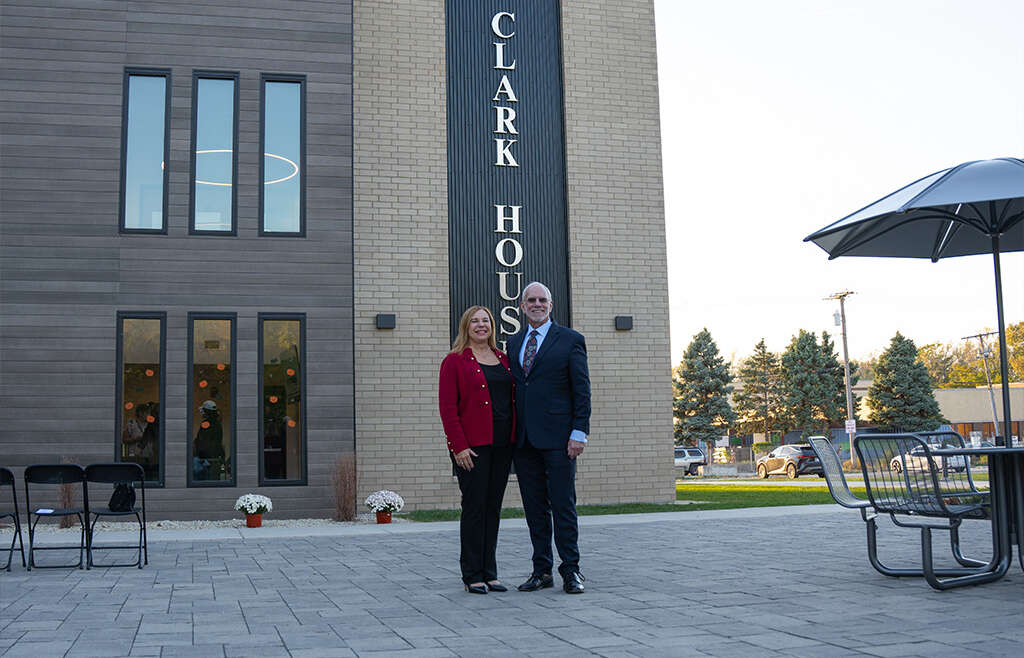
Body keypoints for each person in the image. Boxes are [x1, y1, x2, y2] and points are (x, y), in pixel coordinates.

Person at [507, 282, 591, 594]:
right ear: (522, 306)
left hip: (560, 440)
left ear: (551, 306)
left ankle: (571, 570)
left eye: (543, 300)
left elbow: (581, 390)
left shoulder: (570, 340)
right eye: (531, 300)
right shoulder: (514, 343)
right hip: (525, 441)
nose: (537, 304)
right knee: (534, 508)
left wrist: (578, 432)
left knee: (563, 505)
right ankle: (541, 571)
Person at [439, 305, 516, 594]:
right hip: (471, 448)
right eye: (475, 321)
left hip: (502, 445)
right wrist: (458, 446)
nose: (481, 326)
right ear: (466, 326)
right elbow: (448, 409)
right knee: (474, 508)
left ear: (492, 326)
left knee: (493, 509)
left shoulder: (504, 359)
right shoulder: (454, 361)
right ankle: (472, 574)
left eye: (485, 321)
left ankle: (490, 572)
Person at [193, 400, 224, 480]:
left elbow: (202, 440)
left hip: (206, 459)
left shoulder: (206, 423)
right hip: (214, 457)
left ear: (206, 411)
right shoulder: (217, 423)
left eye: (203, 410)